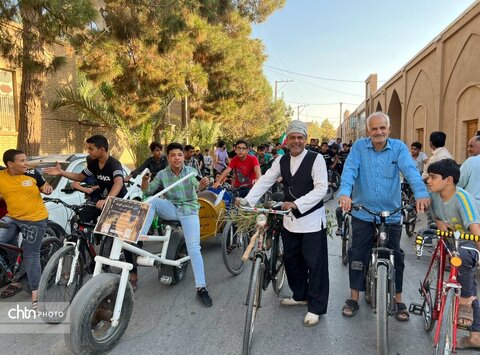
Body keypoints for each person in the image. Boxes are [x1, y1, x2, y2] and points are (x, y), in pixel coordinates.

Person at [338, 112, 430, 320]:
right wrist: (345, 193)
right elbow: (349, 171)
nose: (378, 132)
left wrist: (421, 193)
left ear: (388, 129)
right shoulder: (359, 148)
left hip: (391, 214)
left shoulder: (398, 148)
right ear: (367, 131)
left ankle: (398, 299)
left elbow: (410, 171)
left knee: (396, 255)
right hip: (363, 212)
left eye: (382, 128)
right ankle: (354, 297)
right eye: (374, 129)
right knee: (357, 254)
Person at [240, 120, 329, 327]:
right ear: (287, 140)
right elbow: (265, 180)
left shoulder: (316, 159)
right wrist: (248, 201)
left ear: (305, 139)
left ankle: (315, 307)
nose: (296, 141)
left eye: (300, 137)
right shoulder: (281, 160)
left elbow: (321, 189)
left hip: (312, 221)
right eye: (292, 137)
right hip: (290, 221)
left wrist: (297, 204)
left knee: (315, 266)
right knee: (291, 261)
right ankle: (300, 296)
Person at [141, 142, 213, 307]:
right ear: (168, 157)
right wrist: (145, 181)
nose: (177, 158)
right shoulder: (162, 174)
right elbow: (147, 192)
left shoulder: (191, 172)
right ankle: (141, 237)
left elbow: (199, 185)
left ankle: (201, 288)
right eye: (173, 155)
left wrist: (202, 185)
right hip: (172, 208)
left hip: (189, 210)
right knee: (152, 202)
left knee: (194, 248)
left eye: (179, 155)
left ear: (183, 157)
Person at [426, 159, 480, 350]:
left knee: (469, 286)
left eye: (433, 177)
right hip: (447, 242)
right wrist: (439, 221)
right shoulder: (434, 196)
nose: (428, 181)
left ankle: (466, 301)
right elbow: (433, 213)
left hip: (466, 245)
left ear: (448, 180)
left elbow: (476, 230)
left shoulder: (462, 198)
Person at [0, 149, 53, 308]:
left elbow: (45, 187)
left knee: (31, 254)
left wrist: (47, 188)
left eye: (26, 160)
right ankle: (15, 273)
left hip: (35, 220)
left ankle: (37, 295)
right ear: (10, 164)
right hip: (13, 217)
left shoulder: (32, 174)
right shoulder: (1, 177)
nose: (26, 163)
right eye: (22, 161)